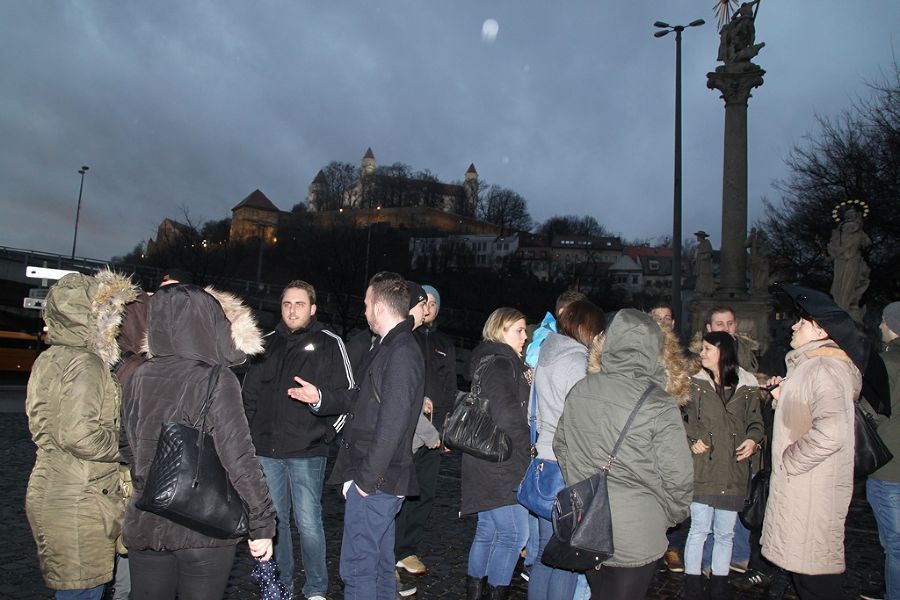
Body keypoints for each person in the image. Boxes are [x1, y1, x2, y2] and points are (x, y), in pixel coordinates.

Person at [121, 283, 276, 600]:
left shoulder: (138, 375)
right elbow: (239, 457)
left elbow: (125, 444)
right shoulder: (217, 379)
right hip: (202, 526)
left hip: (147, 519)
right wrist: (262, 522)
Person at [554, 309, 694, 600]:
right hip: (638, 532)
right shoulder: (660, 403)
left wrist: (580, 485)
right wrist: (669, 515)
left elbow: (561, 446)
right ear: (655, 346)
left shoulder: (581, 389)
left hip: (589, 526)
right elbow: (678, 476)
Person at [241, 280, 357, 600]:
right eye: (287, 304)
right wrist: (249, 439)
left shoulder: (330, 343)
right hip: (266, 450)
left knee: (309, 524)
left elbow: (349, 397)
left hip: (307, 451)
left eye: (300, 304)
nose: (292, 310)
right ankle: (282, 585)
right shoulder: (265, 343)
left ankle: (316, 588)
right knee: (275, 524)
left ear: (313, 309)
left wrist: (327, 433)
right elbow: (248, 397)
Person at [25, 270, 137, 600]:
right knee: (83, 590)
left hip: (56, 485)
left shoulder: (49, 358)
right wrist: (124, 445)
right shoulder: (86, 363)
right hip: (81, 497)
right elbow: (80, 435)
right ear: (92, 316)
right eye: (110, 314)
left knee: (75, 588)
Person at [761, 285, 863, 600]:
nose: (793, 325)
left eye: (802, 322)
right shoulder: (812, 366)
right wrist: (782, 397)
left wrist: (790, 460)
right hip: (805, 493)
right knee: (806, 579)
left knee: (816, 583)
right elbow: (807, 416)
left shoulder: (824, 368)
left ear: (820, 330)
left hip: (811, 493)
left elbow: (832, 431)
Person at [328, 274, 424, 600]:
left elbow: (392, 425)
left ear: (380, 307)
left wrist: (366, 481)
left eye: (367, 304)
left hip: (377, 481)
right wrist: (322, 398)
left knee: (357, 570)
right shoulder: (390, 347)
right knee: (381, 566)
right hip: (379, 479)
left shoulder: (400, 352)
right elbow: (363, 403)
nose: (364, 310)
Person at [527, 301, 607, 600]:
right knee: (564, 562)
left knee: (545, 555)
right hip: (567, 467)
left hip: (543, 465)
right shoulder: (577, 362)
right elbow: (583, 421)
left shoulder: (546, 355)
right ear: (588, 329)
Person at [682, 331, 763, 600]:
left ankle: (719, 585)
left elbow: (756, 422)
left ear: (723, 352)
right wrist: (692, 438)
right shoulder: (693, 384)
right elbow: (682, 419)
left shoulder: (747, 385)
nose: (702, 354)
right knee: (699, 530)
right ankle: (692, 585)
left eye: (707, 349)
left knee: (725, 533)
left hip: (733, 470)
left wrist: (753, 440)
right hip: (703, 468)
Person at [462, 308, 531, 600]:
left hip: (483, 459)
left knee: (488, 530)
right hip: (502, 461)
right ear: (501, 330)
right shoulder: (502, 363)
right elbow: (507, 416)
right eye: (519, 330)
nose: (525, 336)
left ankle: (476, 593)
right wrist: (528, 449)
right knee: (515, 535)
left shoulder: (489, 360)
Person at [395, 284, 458, 578]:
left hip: (434, 432)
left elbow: (450, 388)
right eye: (425, 301)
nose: (429, 307)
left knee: (425, 493)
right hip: (406, 430)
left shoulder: (445, 342)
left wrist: (445, 429)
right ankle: (390, 549)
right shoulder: (404, 337)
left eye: (434, 302)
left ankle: (407, 549)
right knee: (399, 491)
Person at [866, 302, 900, 600]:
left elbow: (871, 412)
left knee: (896, 544)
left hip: (890, 465)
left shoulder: (886, 363)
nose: (879, 327)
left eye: (883, 322)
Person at [827, 204, 871, 317]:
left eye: (853, 215)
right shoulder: (839, 230)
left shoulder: (858, 230)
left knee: (851, 282)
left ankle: (847, 305)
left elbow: (866, 242)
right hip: (841, 260)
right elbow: (833, 245)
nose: (850, 217)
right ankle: (841, 305)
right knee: (840, 282)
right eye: (848, 215)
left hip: (852, 259)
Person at [694, 231, 715, 296]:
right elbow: (696, 255)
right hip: (699, 264)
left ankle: (706, 291)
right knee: (700, 278)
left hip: (704, 265)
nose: (697, 237)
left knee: (704, 277)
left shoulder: (706, 243)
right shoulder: (699, 246)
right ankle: (700, 291)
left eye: (698, 236)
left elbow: (709, 253)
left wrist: (703, 257)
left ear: (701, 236)